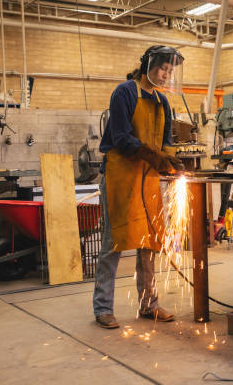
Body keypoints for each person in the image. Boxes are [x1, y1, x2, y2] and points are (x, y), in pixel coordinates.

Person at [93, 45, 185, 329]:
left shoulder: (162, 101)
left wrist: (172, 161)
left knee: (150, 241)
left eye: (170, 72)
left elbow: (166, 141)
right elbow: (120, 137)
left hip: (147, 178)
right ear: (148, 65)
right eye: (163, 69)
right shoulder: (125, 92)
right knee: (114, 242)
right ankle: (103, 308)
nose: (166, 75)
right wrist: (153, 156)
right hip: (121, 174)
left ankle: (149, 303)